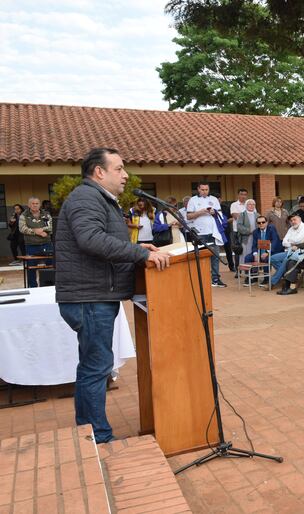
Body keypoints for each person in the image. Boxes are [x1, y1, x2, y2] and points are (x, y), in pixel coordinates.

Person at [55, 147, 170, 444]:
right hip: (89, 298)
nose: (126, 174)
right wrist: (136, 253)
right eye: (119, 168)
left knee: (93, 367)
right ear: (99, 172)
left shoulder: (97, 199)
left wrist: (138, 249)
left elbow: (104, 238)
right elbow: (91, 239)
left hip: (92, 295)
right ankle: (98, 436)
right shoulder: (86, 197)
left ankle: (89, 432)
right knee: (96, 368)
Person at [186, 183, 227, 287]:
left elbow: (220, 214)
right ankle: (200, 279)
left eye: (206, 189)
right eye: (202, 189)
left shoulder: (213, 199)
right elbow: (189, 216)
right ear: (198, 189)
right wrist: (201, 212)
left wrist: (214, 213)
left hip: (213, 232)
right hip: (199, 233)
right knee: (199, 256)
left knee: (215, 256)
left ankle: (215, 278)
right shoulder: (193, 200)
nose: (205, 191)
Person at [18, 197, 53, 287]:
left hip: (47, 244)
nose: (35, 205)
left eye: (37, 203)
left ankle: (50, 285)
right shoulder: (24, 215)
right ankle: (33, 288)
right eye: (33, 203)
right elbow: (22, 228)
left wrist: (40, 230)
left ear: (39, 204)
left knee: (50, 266)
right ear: (29, 205)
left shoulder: (46, 214)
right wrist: (36, 232)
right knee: (31, 268)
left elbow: (50, 227)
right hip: (31, 245)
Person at [269, 212, 304, 287]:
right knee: (272, 258)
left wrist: (290, 241)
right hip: (289, 251)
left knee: (286, 260)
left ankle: (272, 282)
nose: (293, 222)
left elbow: (298, 240)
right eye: (291, 221)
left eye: (294, 219)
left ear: (299, 219)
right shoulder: (291, 228)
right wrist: (291, 243)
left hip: (300, 253)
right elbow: (284, 242)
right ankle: (286, 273)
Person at [235, 200, 260, 265]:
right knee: (245, 254)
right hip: (246, 239)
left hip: (256, 238)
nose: (252, 206)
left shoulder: (258, 215)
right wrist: (249, 231)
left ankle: (254, 271)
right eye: (249, 204)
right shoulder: (242, 215)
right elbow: (239, 226)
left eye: (253, 204)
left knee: (255, 254)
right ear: (246, 205)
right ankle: (244, 271)